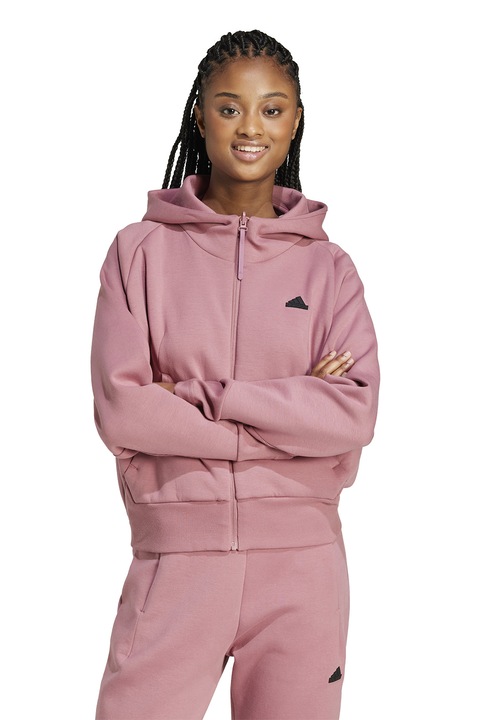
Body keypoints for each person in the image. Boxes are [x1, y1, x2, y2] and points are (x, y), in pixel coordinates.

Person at [91, 28, 380, 720]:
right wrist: (292, 419)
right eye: (230, 108)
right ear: (200, 114)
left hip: (304, 572)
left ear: (295, 121)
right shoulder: (139, 252)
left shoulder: (329, 268)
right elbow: (124, 411)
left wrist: (201, 398)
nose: (251, 128)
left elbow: (353, 415)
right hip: (176, 564)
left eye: (272, 110)